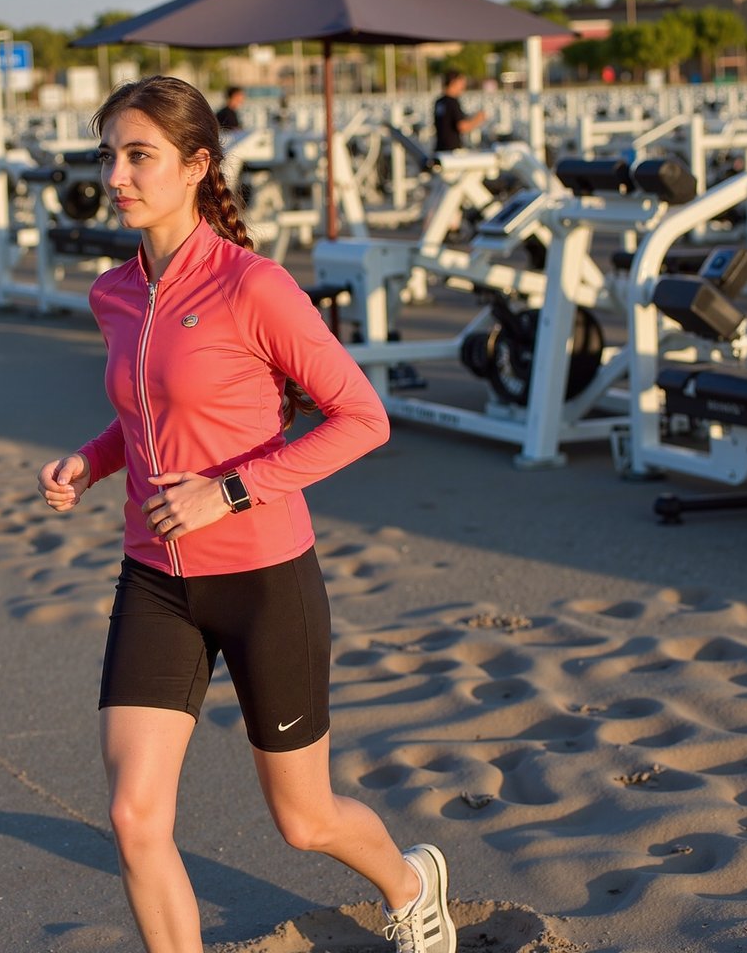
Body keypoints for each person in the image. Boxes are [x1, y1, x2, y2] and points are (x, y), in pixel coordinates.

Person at [36, 75, 456, 953]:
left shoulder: (253, 287)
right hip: (154, 578)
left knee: (303, 822)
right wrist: (95, 456)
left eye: (139, 155)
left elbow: (364, 419)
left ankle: (411, 884)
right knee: (132, 814)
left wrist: (226, 490)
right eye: (107, 153)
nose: (116, 174)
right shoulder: (114, 293)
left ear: (196, 166)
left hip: (264, 579)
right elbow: (149, 409)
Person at [433, 70, 486, 152]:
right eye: (461, 83)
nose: (463, 87)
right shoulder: (452, 102)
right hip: (451, 151)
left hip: (440, 149)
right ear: (453, 82)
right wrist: (478, 119)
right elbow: (462, 126)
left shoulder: (439, 102)